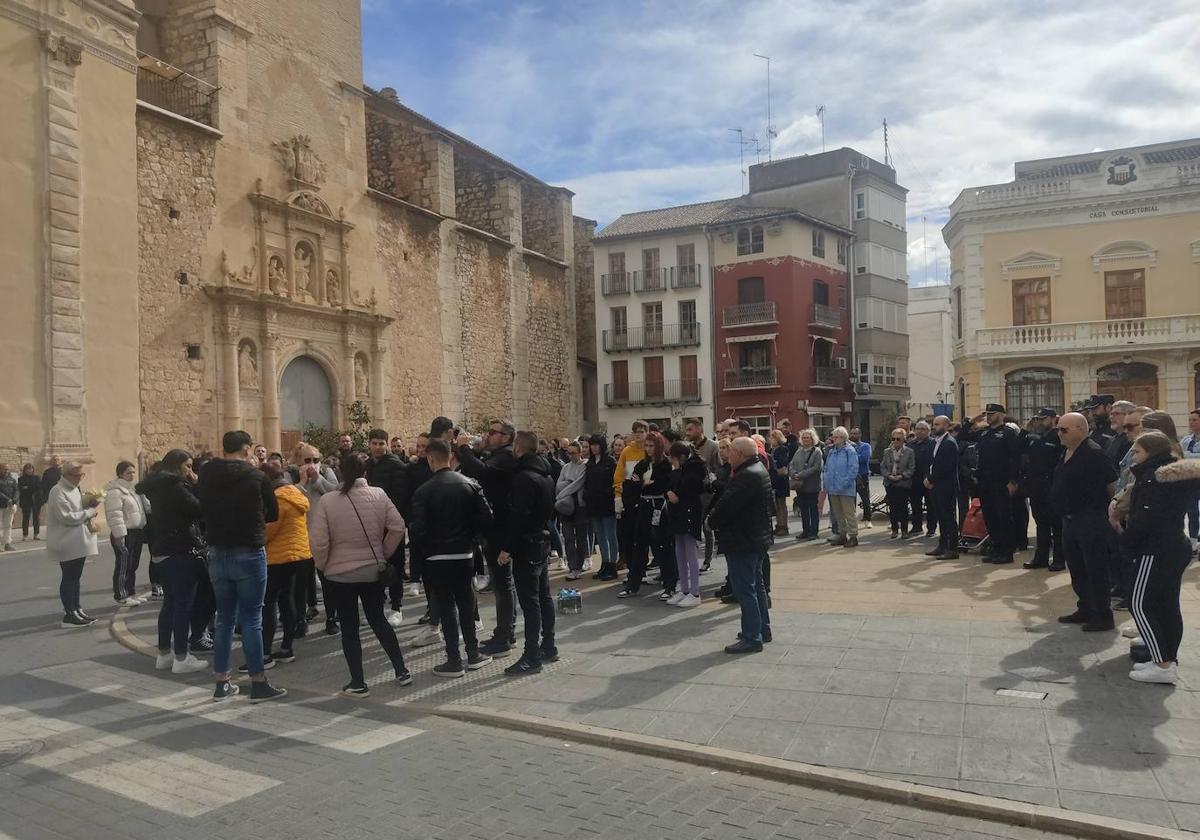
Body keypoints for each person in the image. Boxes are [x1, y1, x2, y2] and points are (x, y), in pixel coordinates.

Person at [311, 452, 412, 695]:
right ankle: (401, 669)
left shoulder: (328, 501)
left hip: (339, 574)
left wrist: (324, 565)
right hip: (371, 571)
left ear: (341, 473)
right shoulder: (379, 494)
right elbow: (398, 526)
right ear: (366, 473)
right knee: (378, 619)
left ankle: (358, 682)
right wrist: (383, 553)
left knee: (350, 627)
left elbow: (319, 542)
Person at [196, 430, 286, 703]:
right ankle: (258, 682)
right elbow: (273, 512)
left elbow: (201, 507)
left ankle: (221, 681)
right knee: (252, 619)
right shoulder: (256, 477)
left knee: (224, 619)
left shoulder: (207, 475)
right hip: (249, 551)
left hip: (217, 551)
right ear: (247, 449)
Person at [408, 438, 493, 678]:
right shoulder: (470, 484)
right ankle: (474, 654)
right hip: (465, 553)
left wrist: (423, 554)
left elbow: (418, 529)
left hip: (437, 556)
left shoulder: (424, 490)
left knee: (446, 607)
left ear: (431, 458)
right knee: (467, 604)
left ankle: (454, 660)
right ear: (451, 457)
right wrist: (472, 538)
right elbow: (486, 518)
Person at [1121, 430, 1200, 684]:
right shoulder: (1167, 476)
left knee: (1139, 603)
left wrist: (1126, 543)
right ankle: (1166, 660)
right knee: (1166, 606)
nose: (1134, 456)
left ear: (1151, 453)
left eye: (1138, 451)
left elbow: (1146, 519)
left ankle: (1163, 664)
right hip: (1172, 546)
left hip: (1156, 549)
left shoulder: (1154, 478)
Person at [137, 449, 207, 674]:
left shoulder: (156, 487)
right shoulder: (176, 487)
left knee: (169, 604)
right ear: (177, 465)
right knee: (183, 605)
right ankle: (181, 657)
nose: (190, 471)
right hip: (180, 549)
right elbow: (198, 509)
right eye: (188, 466)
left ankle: (164, 654)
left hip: (162, 550)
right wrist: (198, 486)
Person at [457, 419, 519, 656]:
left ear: (506, 437)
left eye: (493, 432)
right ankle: (505, 632)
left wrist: (464, 448)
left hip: (500, 529)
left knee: (503, 585)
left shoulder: (505, 456)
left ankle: (505, 636)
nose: (488, 435)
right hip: (494, 527)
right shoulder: (497, 454)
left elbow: (480, 471)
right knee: (503, 584)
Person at [1051, 413, 1118, 632]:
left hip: (1091, 520)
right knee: (1077, 567)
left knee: (1095, 569)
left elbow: (1111, 485)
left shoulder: (1094, 453)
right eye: (1058, 429)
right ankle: (1086, 608)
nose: (1059, 433)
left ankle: (1102, 615)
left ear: (1080, 429)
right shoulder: (1067, 451)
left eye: (1064, 430)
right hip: (1070, 520)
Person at [499, 430, 557, 676]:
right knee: (543, 597)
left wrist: (507, 548)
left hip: (527, 544)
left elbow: (519, 517)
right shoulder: (545, 475)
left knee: (531, 602)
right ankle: (549, 646)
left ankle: (531, 656)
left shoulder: (524, 478)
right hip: (541, 541)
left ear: (518, 448)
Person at [708, 437, 772, 653]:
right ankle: (762, 629)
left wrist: (710, 520)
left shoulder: (745, 476)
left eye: (731, 451)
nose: (727, 455)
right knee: (757, 586)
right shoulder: (758, 469)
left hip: (743, 540)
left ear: (740, 454)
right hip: (756, 538)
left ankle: (752, 636)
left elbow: (726, 506)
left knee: (745, 590)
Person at [258, 461, 309, 669]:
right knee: (287, 600)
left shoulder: (278, 499)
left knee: (268, 603)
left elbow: (268, 532)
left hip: (279, 557)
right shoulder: (295, 495)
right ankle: (287, 648)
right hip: (298, 556)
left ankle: (265, 653)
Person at [365, 428, 412, 628]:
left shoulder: (396, 466)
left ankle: (396, 607)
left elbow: (399, 498)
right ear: (369, 444)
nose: (377, 447)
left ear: (387, 445)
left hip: (391, 525)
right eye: (374, 443)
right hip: (371, 525)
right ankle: (376, 607)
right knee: (374, 566)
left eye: (381, 443)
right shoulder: (366, 465)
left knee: (395, 566)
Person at [618, 431, 674, 599]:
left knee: (662, 546)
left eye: (652, 446)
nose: (649, 449)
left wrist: (641, 483)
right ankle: (632, 585)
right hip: (643, 506)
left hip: (659, 506)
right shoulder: (642, 464)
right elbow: (630, 485)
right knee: (639, 545)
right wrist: (644, 483)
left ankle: (670, 584)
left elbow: (662, 485)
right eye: (647, 446)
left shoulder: (665, 464)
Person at [46, 462, 101, 627]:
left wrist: (90, 502)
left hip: (78, 540)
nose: (79, 479)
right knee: (69, 577)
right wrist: (89, 512)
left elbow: (78, 510)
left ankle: (77, 608)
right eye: (77, 475)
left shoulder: (74, 489)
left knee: (75, 577)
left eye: (81, 475)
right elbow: (66, 517)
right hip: (65, 541)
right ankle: (69, 613)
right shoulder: (57, 491)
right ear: (67, 475)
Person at [965, 404, 1021, 565]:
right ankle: (996, 549)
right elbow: (963, 435)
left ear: (1002, 415)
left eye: (992, 413)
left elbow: (1015, 458)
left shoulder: (1008, 433)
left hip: (1001, 482)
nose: (989, 416)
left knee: (1003, 517)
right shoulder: (984, 433)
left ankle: (1006, 552)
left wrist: (1013, 481)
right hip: (985, 482)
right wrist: (971, 421)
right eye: (987, 413)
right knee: (990, 518)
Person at [292, 442, 339, 635]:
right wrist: (302, 482)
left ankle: (331, 618)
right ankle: (300, 619)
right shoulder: (292, 475)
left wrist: (317, 478)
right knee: (300, 581)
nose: (312, 464)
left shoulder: (326, 472)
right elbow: (288, 497)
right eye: (307, 460)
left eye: (316, 460)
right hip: (300, 535)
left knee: (327, 580)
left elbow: (335, 492)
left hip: (322, 534)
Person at [1022, 409, 1064, 571]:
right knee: (1041, 523)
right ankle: (1041, 557)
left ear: (1053, 419)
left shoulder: (1058, 436)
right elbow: (1018, 448)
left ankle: (1059, 559)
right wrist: (1026, 428)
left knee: (1057, 525)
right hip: (1036, 486)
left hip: (1051, 486)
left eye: (1043, 419)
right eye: (1038, 419)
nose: (1040, 421)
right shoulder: (1036, 437)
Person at [666, 440, 706, 607]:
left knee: (690, 552)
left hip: (690, 511)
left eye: (674, 459)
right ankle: (684, 589)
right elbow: (668, 482)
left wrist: (675, 490)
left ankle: (694, 592)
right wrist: (668, 491)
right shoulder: (682, 468)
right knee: (679, 552)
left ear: (681, 457)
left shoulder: (695, 466)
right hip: (678, 513)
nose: (672, 463)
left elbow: (688, 485)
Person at [103, 461, 149, 605]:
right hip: (124, 532)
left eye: (133, 472)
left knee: (133, 565)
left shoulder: (134, 490)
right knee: (124, 565)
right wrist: (119, 534)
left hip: (137, 531)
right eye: (128, 472)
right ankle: (121, 595)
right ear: (120, 474)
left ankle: (131, 593)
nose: (132, 475)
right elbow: (115, 514)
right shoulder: (115, 491)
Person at [685, 419, 721, 571]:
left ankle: (707, 560)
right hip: (693, 491)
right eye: (687, 430)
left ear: (700, 429)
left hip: (707, 492)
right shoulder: (688, 447)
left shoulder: (713, 446)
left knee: (707, 527)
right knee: (693, 526)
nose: (688, 433)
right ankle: (691, 559)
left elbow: (718, 468)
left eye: (690, 429)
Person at [613, 421, 648, 579]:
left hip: (647, 496)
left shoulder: (650, 450)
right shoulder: (627, 451)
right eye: (636, 432)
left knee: (645, 536)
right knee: (629, 535)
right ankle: (633, 570)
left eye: (642, 431)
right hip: (629, 496)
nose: (639, 434)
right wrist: (618, 496)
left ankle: (643, 569)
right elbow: (619, 476)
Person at [923, 415, 960, 559]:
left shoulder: (949, 443)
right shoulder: (934, 443)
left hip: (945, 486)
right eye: (933, 424)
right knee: (940, 517)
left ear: (946, 426)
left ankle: (952, 548)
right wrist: (926, 477)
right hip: (934, 485)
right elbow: (929, 462)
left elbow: (945, 467)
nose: (934, 427)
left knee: (948, 517)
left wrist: (931, 479)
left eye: (937, 424)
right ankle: (942, 545)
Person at [584, 435, 618, 581]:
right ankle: (604, 563)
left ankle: (612, 565)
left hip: (607, 503)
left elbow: (614, 481)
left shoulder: (610, 462)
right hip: (593, 504)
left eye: (596, 445)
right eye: (592, 445)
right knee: (600, 536)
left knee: (610, 535)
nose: (593, 447)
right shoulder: (590, 462)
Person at [554, 441, 589, 582]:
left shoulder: (584, 466)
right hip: (566, 506)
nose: (571, 456)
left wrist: (564, 489)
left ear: (580, 453)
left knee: (581, 537)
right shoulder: (566, 467)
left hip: (580, 506)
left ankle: (579, 565)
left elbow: (578, 483)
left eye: (574, 453)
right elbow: (559, 484)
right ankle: (572, 566)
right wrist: (565, 487)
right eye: (569, 453)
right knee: (568, 537)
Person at [823, 427, 859, 547]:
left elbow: (853, 469)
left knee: (849, 513)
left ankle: (853, 536)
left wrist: (844, 483)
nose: (834, 439)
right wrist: (827, 482)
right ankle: (842, 535)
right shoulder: (832, 451)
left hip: (845, 488)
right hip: (833, 488)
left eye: (836, 437)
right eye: (833, 437)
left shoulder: (850, 451)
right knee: (838, 513)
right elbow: (827, 468)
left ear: (843, 438)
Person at [789, 429, 823, 541]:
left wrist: (801, 475)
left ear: (813, 439)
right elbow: (791, 464)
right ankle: (805, 530)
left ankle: (814, 532)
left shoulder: (817, 452)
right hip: (800, 485)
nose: (805, 440)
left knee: (812, 509)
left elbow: (816, 468)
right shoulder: (799, 451)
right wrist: (793, 473)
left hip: (812, 485)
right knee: (803, 509)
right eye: (804, 438)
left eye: (808, 437)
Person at [880, 429, 914, 538]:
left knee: (903, 507)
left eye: (898, 439)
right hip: (890, 483)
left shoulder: (909, 452)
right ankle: (894, 530)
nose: (895, 441)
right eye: (893, 439)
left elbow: (911, 468)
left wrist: (902, 476)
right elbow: (883, 466)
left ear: (904, 439)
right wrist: (888, 475)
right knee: (892, 507)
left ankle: (904, 531)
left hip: (903, 483)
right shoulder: (887, 451)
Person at [907, 421, 934, 538]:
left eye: (922, 429)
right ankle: (916, 527)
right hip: (914, 480)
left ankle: (931, 528)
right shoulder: (910, 444)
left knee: (931, 505)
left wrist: (930, 478)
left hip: (929, 480)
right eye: (917, 428)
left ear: (928, 431)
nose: (919, 431)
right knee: (915, 505)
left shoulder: (933, 443)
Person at [1181, 408, 1200, 550]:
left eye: (1194, 420)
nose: (1191, 423)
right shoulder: (1186, 440)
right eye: (1190, 420)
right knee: (1191, 510)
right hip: (1190, 480)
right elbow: (1180, 457)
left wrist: (1188, 456)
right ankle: (1193, 541)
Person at [768, 430, 792, 536]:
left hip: (781, 479)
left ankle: (784, 525)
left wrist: (774, 465)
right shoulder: (771, 449)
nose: (770, 440)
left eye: (772, 438)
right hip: (774, 479)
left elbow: (782, 462)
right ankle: (778, 524)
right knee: (776, 504)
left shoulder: (783, 449)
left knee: (781, 503)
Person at [848, 428, 872, 525]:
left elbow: (864, 458)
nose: (853, 435)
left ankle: (867, 519)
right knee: (851, 498)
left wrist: (852, 456)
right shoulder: (848, 446)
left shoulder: (865, 446)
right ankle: (851, 520)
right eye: (852, 433)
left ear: (860, 434)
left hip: (862, 475)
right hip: (851, 475)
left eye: (855, 433)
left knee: (865, 498)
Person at [18, 463, 41, 541]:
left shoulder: (37, 478)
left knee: (36, 518)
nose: (29, 470)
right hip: (25, 501)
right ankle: (25, 535)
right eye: (27, 469)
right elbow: (22, 489)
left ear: (33, 469)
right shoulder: (21, 479)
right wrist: (31, 488)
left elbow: (38, 488)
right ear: (25, 470)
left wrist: (28, 487)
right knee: (25, 518)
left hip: (35, 500)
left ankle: (36, 534)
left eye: (31, 469)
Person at [0, 463, 17, 551]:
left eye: (7, 469)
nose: (6, 471)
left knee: (8, 525)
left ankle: (7, 543)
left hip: (9, 505)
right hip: (1, 505)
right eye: (4, 469)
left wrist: (14, 500)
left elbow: (16, 490)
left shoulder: (12, 479)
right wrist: (7, 499)